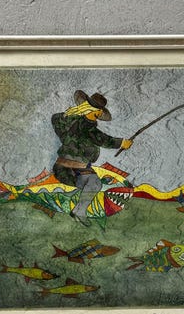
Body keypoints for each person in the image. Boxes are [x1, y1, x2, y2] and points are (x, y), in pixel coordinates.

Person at [52, 90, 132, 224]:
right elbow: (103, 139)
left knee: (94, 184)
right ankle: (79, 212)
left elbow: (56, 119)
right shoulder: (86, 127)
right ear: (96, 111)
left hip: (74, 168)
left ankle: (78, 211)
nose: (100, 113)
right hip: (69, 169)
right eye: (99, 111)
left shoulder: (73, 121)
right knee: (94, 183)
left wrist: (73, 114)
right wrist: (121, 143)